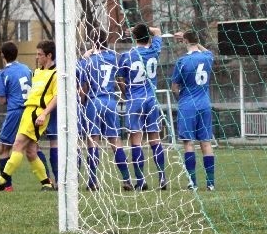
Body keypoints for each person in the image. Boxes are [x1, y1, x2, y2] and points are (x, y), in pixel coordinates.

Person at [0, 40, 57, 191]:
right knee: (30, 152)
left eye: (39, 54)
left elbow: (57, 97)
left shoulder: (56, 74)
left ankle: (2, 180)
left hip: (37, 113)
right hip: (27, 112)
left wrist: (44, 114)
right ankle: (47, 184)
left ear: (49, 56)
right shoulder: (36, 72)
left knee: (17, 145)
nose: (37, 57)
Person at [117, 23, 167, 191]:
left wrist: (127, 93)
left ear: (134, 37)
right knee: (155, 139)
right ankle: (162, 178)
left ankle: (141, 180)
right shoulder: (154, 50)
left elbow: (119, 79)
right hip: (151, 100)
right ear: (148, 36)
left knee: (135, 141)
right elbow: (158, 31)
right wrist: (142, 30)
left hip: (135, 100)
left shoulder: (126, 56)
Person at [81, 29, 129, 191]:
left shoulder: (88, 61)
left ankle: (93, 180)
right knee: (115, 141)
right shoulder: (113, 58)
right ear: (106, 41)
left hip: (94, 102)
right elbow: (121, 81)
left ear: (92, 42)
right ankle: (127, 179)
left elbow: (84, 89)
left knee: (93, 141)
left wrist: (81, 103)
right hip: (110, 102)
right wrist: (126, 94)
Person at [171, 31, 216, 191]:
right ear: (197, 41)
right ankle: (210, 184)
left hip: (187, 105)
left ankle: (193, 183)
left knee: (188, 143)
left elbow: (174, 88)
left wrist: (181, 100)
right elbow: (207, 51)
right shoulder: (208, 58)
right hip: (204, 104)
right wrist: (194, 41)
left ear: (184, 41)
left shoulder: (182, 61)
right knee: (206, 143)